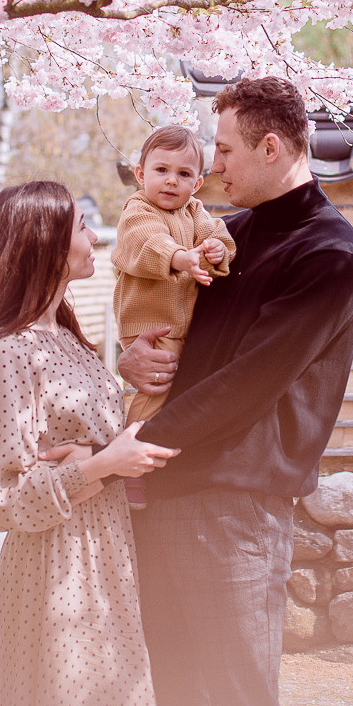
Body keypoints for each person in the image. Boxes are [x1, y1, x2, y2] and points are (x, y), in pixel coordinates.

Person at [117, 76, 353, 706]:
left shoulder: (331, 255)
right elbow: (160, 320)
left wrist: (130, 451)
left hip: (235, 511)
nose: (211, 167)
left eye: (223, 150)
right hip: (164, 493)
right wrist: (129, 360)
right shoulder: (223, 236)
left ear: (270, 146)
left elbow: (245, 386)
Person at [0, 180, 183, 706]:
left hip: (104, 556)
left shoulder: (65, 338)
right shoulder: (10, 352)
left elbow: (76, 428)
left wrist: (120, 376)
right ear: (44, 245)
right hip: (56, 566)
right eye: (82, 228)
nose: (95, 238)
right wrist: (99, 466)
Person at [111, 125, 236, 507]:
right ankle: (127, 467)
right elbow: (146, 242)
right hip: (150, 325)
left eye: (183, 174)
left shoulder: (195, 212)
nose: (171, 181)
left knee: (183, 392)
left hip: (184, 325)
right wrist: (182, 258)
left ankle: (160, 457)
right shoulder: (138, 210)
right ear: (140, 174)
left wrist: (216, 250)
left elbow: (220, 235)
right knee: (154, 391)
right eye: (161, 170)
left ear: (197, 184)